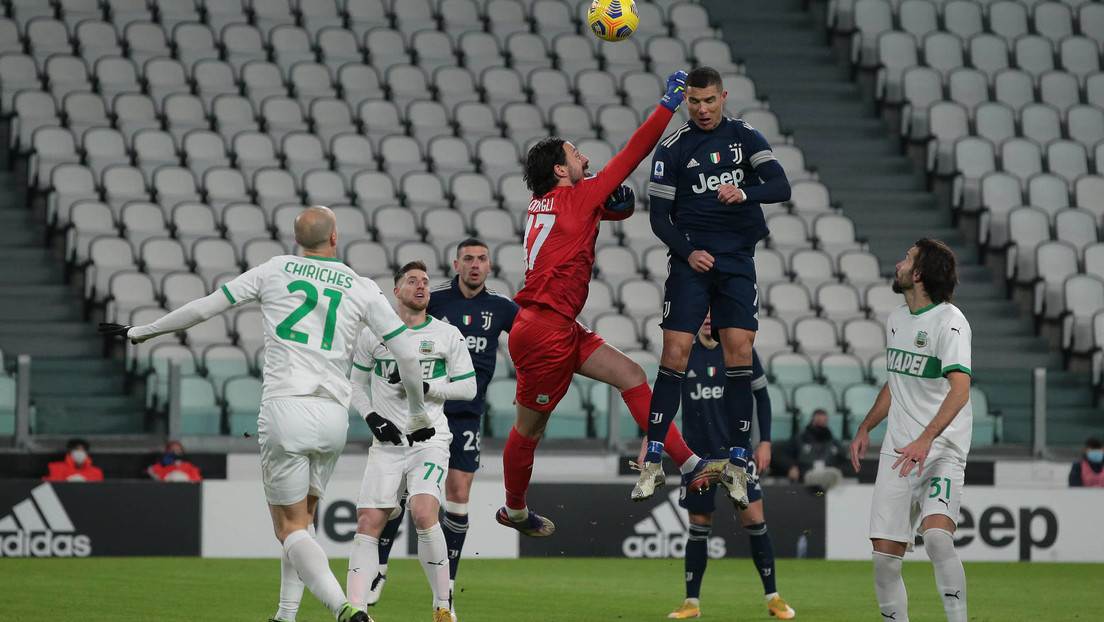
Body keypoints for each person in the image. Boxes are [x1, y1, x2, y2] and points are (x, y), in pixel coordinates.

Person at [100, 205, 435, 622]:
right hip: (333, 414)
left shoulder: (274, 269)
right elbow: (405, 351)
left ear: (297, 242)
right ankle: (285, 614)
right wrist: (419, 414)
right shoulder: (361, 285)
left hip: (285, 407)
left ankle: (344, 608)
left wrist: (141, 331)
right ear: (335, 238)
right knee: (306, 520)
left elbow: (206, 308)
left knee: (288, 528)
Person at [498, 68, 728, 538]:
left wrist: (614, 202)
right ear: (561, 170)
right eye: (574, 154)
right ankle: (514, 511)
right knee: (530, 429)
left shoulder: (552, 203)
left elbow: (613, 203)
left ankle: (689, 465)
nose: (584, 156)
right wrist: (668, 103)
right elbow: (633, 155)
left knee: (631, 375)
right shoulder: (576, 199)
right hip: (543, 333)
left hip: (558, 325)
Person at [638, 66, 792, 508]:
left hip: (737, 261)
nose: (703, 110)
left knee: (739, 353)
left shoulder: (746, 137)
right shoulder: (672, 147)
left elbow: (780, 185)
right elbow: (657, 218)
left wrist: (743, 192)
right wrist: (688, 252)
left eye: (710, 101)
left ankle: (739, 465)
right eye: (694, 102)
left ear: (723, 96)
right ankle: (652, 460)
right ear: (685, 101)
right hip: (691, 262)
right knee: (673, 353)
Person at [365, 238, 518, 608]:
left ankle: (445, 590)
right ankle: (379, 569)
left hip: (467, 412)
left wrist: (527, 381)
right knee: (402, 495)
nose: (475, 265)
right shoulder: (435, 298)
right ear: (456, 264)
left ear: (490, 265)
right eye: (468, 259)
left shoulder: (500, 307)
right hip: (421, 410)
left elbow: (530, 341)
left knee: (458, 499)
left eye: (482, 258)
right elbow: (403, 323)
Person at [849, 238, 972, 622]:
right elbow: (896, 381)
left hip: (941, 451)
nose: (899, 264)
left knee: (936, 538)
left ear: (918, 274)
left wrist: (926, 439)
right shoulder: (897, 319)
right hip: (898, 452)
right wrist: (866, 426)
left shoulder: (951, 321)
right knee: (884, 560)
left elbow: (961, 389)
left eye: (907, 260)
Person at [346, 260, 476, 622]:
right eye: (413, 281)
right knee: (369, 520)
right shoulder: (374, 334)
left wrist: (427, 388)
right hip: (387, 445)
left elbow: (469, 387)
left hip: (430, 440)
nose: (422, 286)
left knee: (422, 513)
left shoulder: (447, 335)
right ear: (396, 291)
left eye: (426, 282)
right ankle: (356, 611)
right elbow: (355, 386)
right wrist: (372, 418)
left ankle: (442, 604)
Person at [664, 314, 795, 620]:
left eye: (715, 311)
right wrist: (654, 435)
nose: (709, 318)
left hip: (737, 454)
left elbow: (761, 396)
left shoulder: (739, 348)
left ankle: (773, 597)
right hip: (697, 458)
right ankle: (691, 602)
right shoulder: (684, 351)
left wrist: (765, 442)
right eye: (704, 313)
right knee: (698, 527)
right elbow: (668, 398)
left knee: (755, 520)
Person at [785, 408, 845, 490]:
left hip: (829, 478)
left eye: (824, 422)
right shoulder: (800, 439)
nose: (821, 424)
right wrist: (791, 466)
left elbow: (843, 459)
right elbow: (787, 454)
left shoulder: (834, 443)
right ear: (813, 421)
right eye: (818, 421)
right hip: (805, 477)